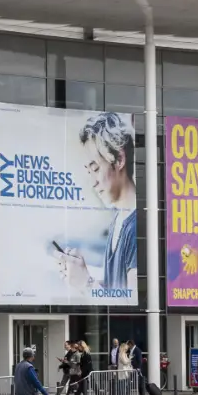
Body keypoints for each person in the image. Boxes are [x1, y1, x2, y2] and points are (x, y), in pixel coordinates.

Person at [55, 112, 139, 295]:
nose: (93, 182)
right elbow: (117, 290)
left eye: (95, 168)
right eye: (89, 171)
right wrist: (81, 277)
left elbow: (130, 303)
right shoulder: (119, 219)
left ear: (119, 160)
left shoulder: (136, 228)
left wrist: (86, 283)